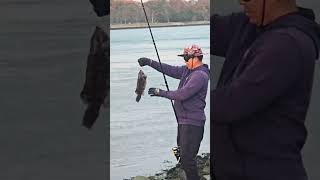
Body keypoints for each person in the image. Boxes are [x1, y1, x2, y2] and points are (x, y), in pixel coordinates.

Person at [211, 0, 320, 180]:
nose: (241, 1)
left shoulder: (288, 43)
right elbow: (213, 30)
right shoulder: (249, 25)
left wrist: (190, 98)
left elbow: (231, 104)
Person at [138, 45, 210, 180]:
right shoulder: (187, 70)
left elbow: (183, 94)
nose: (185, 61)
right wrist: (150, 62)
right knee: (181, 154)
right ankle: (186, 175)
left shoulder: (200, 75)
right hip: (183, 121)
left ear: (196, 58)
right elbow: (169, 69)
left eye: (187, 58)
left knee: (188, 159)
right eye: (184, 58)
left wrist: (161, 92)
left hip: (192, 123)